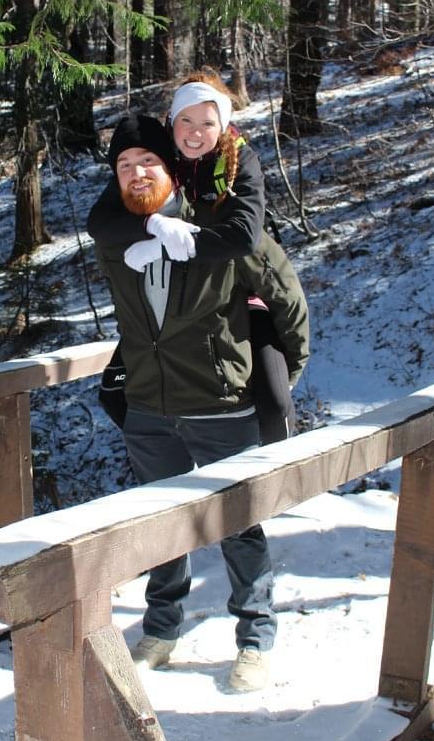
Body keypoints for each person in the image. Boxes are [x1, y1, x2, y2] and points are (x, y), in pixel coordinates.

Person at [90, 113, 310, 693]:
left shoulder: (220, 229)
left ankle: (255, 638)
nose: (137, 174)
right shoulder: (117, 239)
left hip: (221, 403)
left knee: (238, 526)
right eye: (124, 165)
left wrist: (282, 375)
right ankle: (161, 631)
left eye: (149, 163)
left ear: (174, 172)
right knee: (159, 525)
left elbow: (287, 300)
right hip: (148, 407)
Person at [90, 70, 300, 444]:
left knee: (274, 401)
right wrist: (153, 227)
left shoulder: (238, 160)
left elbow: (245, 239)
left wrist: (173, 244)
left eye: (207, 122)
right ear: (171, 123)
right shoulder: (149, 159)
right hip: (153, 399)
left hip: (238, 307)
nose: (195, 131)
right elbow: (100, 221)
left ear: (223, 125)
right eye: (186, 119)